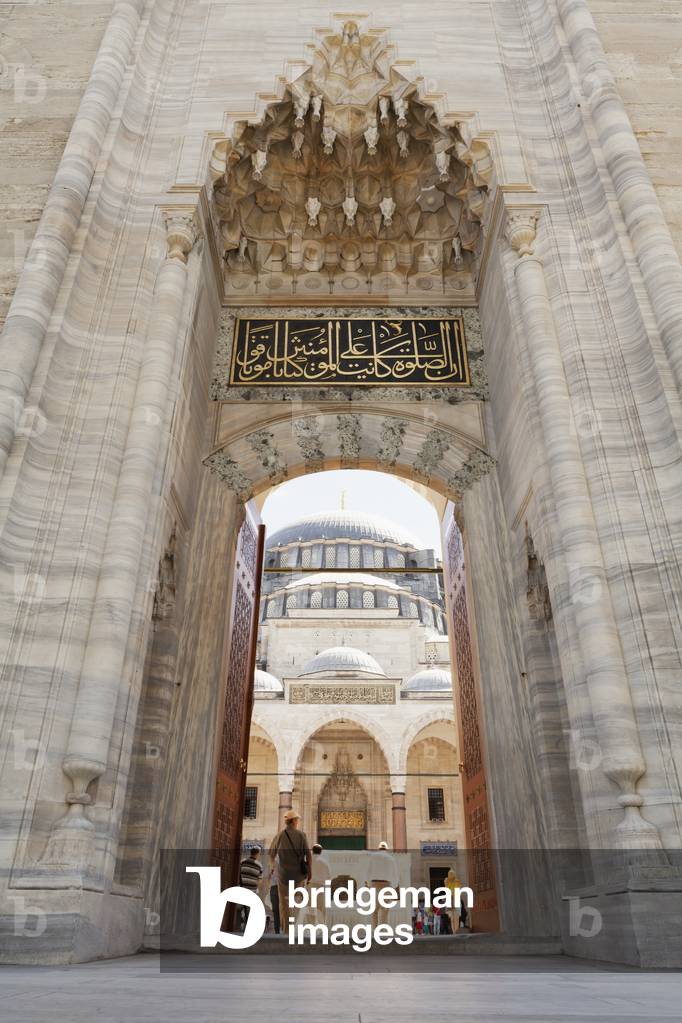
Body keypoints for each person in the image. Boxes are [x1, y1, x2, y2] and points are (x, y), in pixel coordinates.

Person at [269, 809, 311, 928]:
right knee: (297, 901)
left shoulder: (280, 835)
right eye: (297, 820)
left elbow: (271, 854)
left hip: (283, 876)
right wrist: (310, 871)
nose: (298, 822)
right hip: (298, 876)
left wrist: (275, 868)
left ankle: (287, 929)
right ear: (294, 821)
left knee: (284, 904)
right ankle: (295, 925)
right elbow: (308, 855)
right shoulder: (301, 835)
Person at [366, 840, 399, 928]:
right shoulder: (391, 859)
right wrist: (394, 886)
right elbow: (395, 874)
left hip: (374, 884)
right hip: (387, 885)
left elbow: (368, 871)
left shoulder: (373, 857)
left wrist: (369, 885)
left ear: (379, 848)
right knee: (385, 910)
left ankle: (374, 929)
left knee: (374, 910)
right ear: (386, 849)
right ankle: (383, 930)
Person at [306, 843, 332, 925]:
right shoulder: (325, 863)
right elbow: (329, 877)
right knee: (321, 909)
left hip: (310, 886)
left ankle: (311, 927)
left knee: (310, 909)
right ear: (321, 852)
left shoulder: (308, 862)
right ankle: (321, 928)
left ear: (312, 851)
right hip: (321, 887)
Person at [238, 846, 263, 931]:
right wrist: (257, 889)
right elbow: (259, 879)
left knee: (241, 906)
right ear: (257, 854)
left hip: (242, 887)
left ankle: (240, 922)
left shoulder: (242, 862)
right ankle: (246, 925)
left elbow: (238, 874)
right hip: (252, 889)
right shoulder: (259, 865)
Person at [266, 856, 281, 934]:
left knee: (276, 910)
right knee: (277, 910)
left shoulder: (277, 861)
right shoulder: (273, 869)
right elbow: (268, 878)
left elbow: (268, 879)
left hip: (277, 888)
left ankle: (278, 929)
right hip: (276, 888)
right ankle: (278, 929)